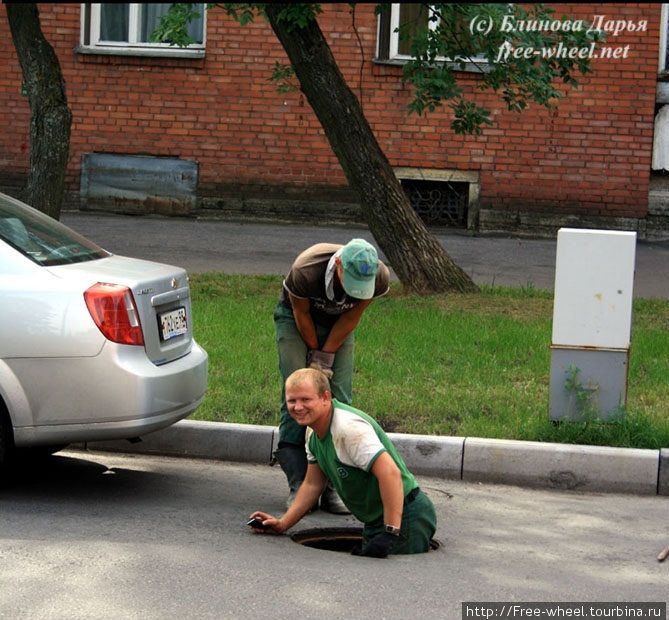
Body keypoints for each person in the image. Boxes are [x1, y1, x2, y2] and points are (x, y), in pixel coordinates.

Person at [250, 368, 437, 558]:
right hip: (377, 520)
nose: (298, 407)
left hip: (406, 516)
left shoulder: (349, 428)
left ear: (325, 397)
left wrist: (390, 532)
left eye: (306, 399)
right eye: (292, 400)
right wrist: (282, 524)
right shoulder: (313, 431)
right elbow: (312, 485)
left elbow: (390, 473)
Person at [273, 239, 390, 513]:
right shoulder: (306, 269)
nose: (356, 289)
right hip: (295, 319)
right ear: (338, 264)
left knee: (337, 396)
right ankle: (300, 484)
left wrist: (326, 359)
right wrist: (314, 359)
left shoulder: (380, 277)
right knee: (299, 394)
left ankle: (333, 485)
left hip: (339, 323)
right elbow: (300, 314)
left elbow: (351, 318)